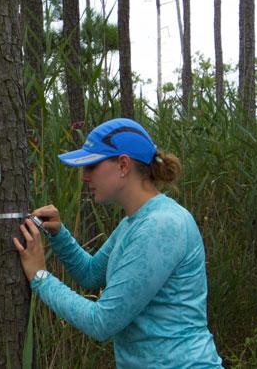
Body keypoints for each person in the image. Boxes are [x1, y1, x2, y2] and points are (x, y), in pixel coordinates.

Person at [13, 118, 223, 368]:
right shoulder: (134, 223)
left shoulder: (161, 225)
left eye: (91, 166)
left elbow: (101, 322)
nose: (84, 177)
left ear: (123, 165)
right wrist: (59, 235)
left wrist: (40, 277)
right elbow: (90, 274)